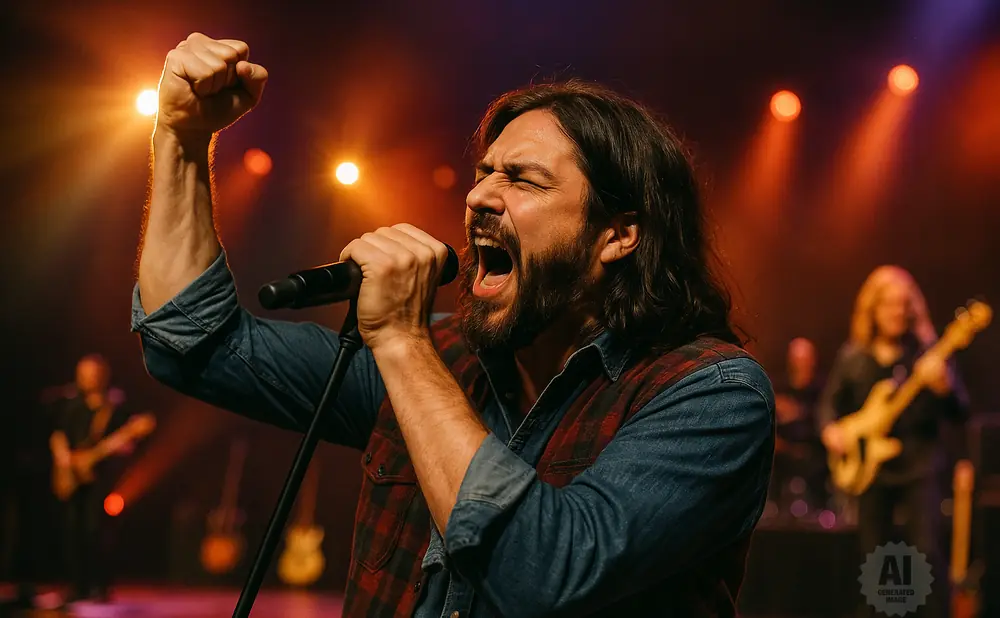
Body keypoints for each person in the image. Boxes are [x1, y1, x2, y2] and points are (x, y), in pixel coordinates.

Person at [131, 33, 775, 617]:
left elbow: (542, 575)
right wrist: (182, 139)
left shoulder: (708, 392)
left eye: (522, 180)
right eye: (484, 172)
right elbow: (191, 342)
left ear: (618, 235)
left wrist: (403, 342)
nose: (478, 196)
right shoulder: (442, 358)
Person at [818, 265, 969, 618]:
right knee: (876, 557)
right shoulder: (853, 356)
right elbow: (828, 406)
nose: (897, 312)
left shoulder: (929, 353)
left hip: (921, 464)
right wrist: (832, 431)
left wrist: (944, 387)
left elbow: (961, 411)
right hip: (873, 469)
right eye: (889, 304)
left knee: (927, 552)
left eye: (904, 305)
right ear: (873, 309)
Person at [46, 354, 127, 605]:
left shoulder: (114, 407)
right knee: (72, 531)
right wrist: (64, 460)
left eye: (91, 373)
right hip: (72, 477)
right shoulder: (71, 405)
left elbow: (127, 445)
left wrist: (114, 446)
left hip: (101, 479)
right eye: (83, 373)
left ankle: (100, 587)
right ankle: (76, 586)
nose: (87, 378)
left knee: (97, 531)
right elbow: (58, 435)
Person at [768, 337, 827, 520]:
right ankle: (772, 512)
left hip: (815, 453)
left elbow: (825, 421)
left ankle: (821, 510)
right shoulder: (778, 388)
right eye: (797, 358)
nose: (801, 363)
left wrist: (798, 412)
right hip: (782, 453)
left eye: (805, 358)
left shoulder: (822, 389)